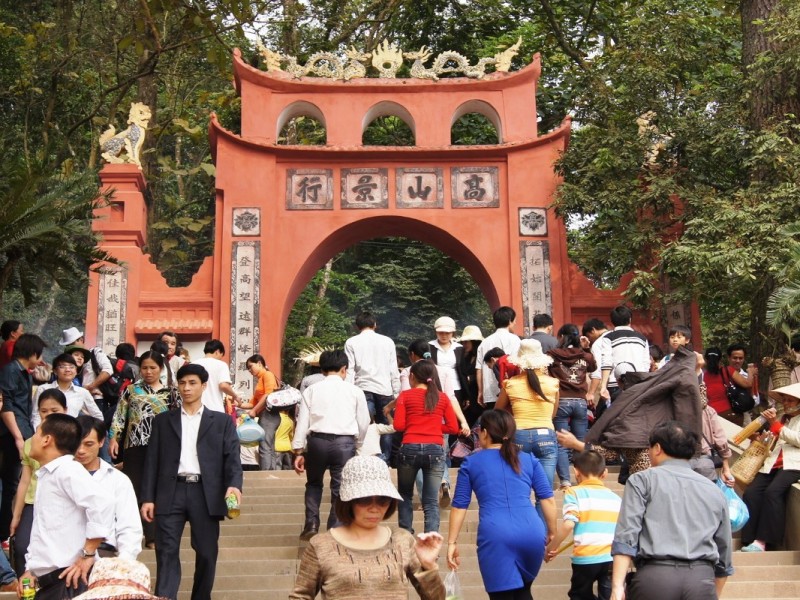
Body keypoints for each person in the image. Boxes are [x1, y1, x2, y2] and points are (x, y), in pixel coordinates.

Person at [141, 363, 243, 600]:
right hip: (170, 492)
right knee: (166, 552)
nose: (186, 388)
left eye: (192, 383)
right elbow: (152, 461)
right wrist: (147, 497)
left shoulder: (221, 422)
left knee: (207, 553)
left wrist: (234, 486)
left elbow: (232, 459)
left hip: (205, 493)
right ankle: (165, 597)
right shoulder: (163, 421)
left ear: (204, 386)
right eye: (182, 383)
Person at [289, 455, 445, 599]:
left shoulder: (402, 540)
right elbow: (300, 596)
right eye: (364, 500)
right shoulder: (321, 545)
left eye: (383, 500)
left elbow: (436, 598)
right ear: (348, 500)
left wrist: (428, 566)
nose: (374, 508)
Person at [610, 421, 733, 600]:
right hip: (701, 580)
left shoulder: (642, 480)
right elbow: (725, 549)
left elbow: (627, 535)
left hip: (654, 579)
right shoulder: (714, 490)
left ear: (657, 448)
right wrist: (713, 592)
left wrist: (617, 586)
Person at [447, 410, 557, 600]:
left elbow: (459, 506)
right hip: (532, 531)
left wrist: (452, 542)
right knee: (524, 592)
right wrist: (552, 533)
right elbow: (547, 499)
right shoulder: (529, 459)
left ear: (484, 432)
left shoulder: (471, 463)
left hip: (495, 533)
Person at [21, 413, 114, 600]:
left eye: (37, 433)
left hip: (70, 581)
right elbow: (44, 529)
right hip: (51, 582)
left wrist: (88, 554)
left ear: (47, 439)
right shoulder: (48, 474)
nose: (32, 439)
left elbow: (102, 503)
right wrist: (30, 569)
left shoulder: (67, 470)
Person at [292, 350, 370, 541]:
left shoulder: (311, 390)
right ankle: (334, 528)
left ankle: (311, 522)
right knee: (339, 488)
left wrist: (298, 450)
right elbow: (364, 421)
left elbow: (302, 421)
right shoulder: (354, 391)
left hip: (317, 441)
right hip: (344, 444)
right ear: (344, 369)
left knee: (313, 483)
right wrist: (358, 442)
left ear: (323, 369)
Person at [108, 350, 179, 548]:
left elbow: (180, 421)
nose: (148, 372)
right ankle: (140, 533)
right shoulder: (131, 390)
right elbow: (120, 416)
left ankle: (155, 535)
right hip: (135, 446)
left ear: (161, 369)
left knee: (159, 488)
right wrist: (114, 438)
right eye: (145, 368)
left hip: (164, 448)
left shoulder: (171, 392)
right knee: (136, 488)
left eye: (153, 368)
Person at [393, 359, 460, 534]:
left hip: (409, 448)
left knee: (405, 496)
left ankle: (405, 538)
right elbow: (453, 428)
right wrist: (434, 427)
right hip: (435, 450)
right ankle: (431, 544)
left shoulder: (405, 396)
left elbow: (398, 426)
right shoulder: (442, 397)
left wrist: (416, 425)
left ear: (412, 377)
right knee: (430, 501)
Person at [545, 450, 621, 600]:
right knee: (607, 594)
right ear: (605, 473)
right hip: (611, 558)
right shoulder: (616, 498)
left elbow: (568, 525)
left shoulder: (574, 493)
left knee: (579, 594)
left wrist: (551, 547)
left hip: (586, 558)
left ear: (576, 472)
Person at [10, 389, 67, 576]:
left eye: (54, 410)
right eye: (44, 411)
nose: (48, 415)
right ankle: (26, 589)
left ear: (65, 410)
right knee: (21, 547)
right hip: (33, 502)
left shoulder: (73, 439)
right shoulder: (31, 442)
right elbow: (25, 481)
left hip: (62, 503)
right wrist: (16, 516)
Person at [495, 339, 560, 495]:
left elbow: (497, 410)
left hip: (519, 435)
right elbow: (553, 414)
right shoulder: (553, 383)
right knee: (544, 493)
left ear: (519, 362)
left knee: (518, 491)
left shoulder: (510, 384)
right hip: (546, 434)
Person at [740, 382, 800, 552]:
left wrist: (776, 425)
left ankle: (764, 540)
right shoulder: (783, 419)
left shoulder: (782, 421)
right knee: (752, 492)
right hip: (772, 464)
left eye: (790, 401)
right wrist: (760, 437)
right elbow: (773, 442)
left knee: (772, 492)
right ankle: (748, 540)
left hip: (794, 465)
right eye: (785, 400)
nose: (786, 403)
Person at [75, 416, 142, 560]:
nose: (81, 450)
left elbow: (129, 525)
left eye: (89, 444)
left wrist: (124, 562)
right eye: (77, 444)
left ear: (101, 442)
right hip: (66, 555)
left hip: (105, 554)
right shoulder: (58, 477)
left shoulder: (118, 480)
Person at [0, 333, 46, 541]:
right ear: (32, 352)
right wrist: (18, 437)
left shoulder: (25, 373)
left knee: (16, 481)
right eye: (39, 355)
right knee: (11, 482)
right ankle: (4, 532)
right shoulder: (10, 371)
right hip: (11, 433)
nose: (40, 359)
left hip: (23, 429)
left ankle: (8, 530)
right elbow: (6, 406)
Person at [344, 311, 401, 459]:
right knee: (385, 425)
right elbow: (393, 369)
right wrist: (397, 392)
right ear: (375, 325)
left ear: (357, 326)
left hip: (362, 388)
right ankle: (385, 460)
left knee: (364, 424)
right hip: (385, 389)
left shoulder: (351, 342)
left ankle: (362, 456)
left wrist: (347, 391)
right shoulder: (388, 341)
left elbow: (350, 369)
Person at [548, 324, 597, 488]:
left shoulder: (553, 355)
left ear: (561, 336)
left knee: (562, 443)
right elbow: (593, 366)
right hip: (580, 401)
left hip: (561, 400)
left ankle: (565, 481)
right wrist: (587, 348)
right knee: (579, 442)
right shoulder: (584, 355)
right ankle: (583, 477)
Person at [32, 354, 104, 429]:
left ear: (76, 371)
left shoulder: (82, 393)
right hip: (46, 432)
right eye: (62, 366)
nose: (68, 370)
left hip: (72, 436)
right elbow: (35, 414)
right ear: (55, 371)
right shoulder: (43, 389)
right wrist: (37, 431)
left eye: (71, 367)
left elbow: (98, 416)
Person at [596, 306, 649, 406]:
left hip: (615, 384)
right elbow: (646, 363)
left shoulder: (608, 338)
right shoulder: (642, 338)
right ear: (630, 319)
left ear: (612, 321)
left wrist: (603, 386)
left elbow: (607, 362)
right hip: (638, 385)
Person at [476, 306, 521, 408]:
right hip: (511, 391)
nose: (515, 323)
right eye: (514, 321)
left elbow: (479, 369)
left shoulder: (484, 342)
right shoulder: (515, 340)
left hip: (490, 392)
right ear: (510, 321)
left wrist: (480, 391)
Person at [244, 354, 280, 470]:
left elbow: (268, 394)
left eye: (250, 366)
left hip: (269, 415)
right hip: (266, 415)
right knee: (269, 447)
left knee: (265, 447)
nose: (250, 370)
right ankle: (271, 474)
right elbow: (252, 403)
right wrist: (237, 402)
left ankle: (265, 475)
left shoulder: (267, 374)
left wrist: (254, 410)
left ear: (259, 363)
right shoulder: (260, 379)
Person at [428, 316, 467, 409]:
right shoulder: (429, 347)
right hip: (436, 386)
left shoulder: (459, 348)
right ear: (436, 332)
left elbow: (463, 371)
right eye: (441, 333)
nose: (444, 335)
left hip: (455, 386)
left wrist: (466, 394)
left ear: (453, 333)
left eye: (447, 333)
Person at [191, 340, 241, 412]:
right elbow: (224, 385)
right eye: (221, 356)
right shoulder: (221, 365)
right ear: (217, 352)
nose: (220, 359)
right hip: (215, 409)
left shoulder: (193, 364)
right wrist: (235, 396)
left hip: (195, 409)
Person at [582, 318, 609, 418]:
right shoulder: (617, 336)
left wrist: (591, 393)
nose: (591, 340)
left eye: (589, 336)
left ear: (593, 330)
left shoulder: (598, 343)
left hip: (607, 387)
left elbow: (597, 372)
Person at [456, 325, 483, 425]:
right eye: (463, 342)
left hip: (478, 397)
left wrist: (471, 378)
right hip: (467, 396)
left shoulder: (481, 356)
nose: (464, 344)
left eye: (466, 342)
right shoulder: (465, 357)